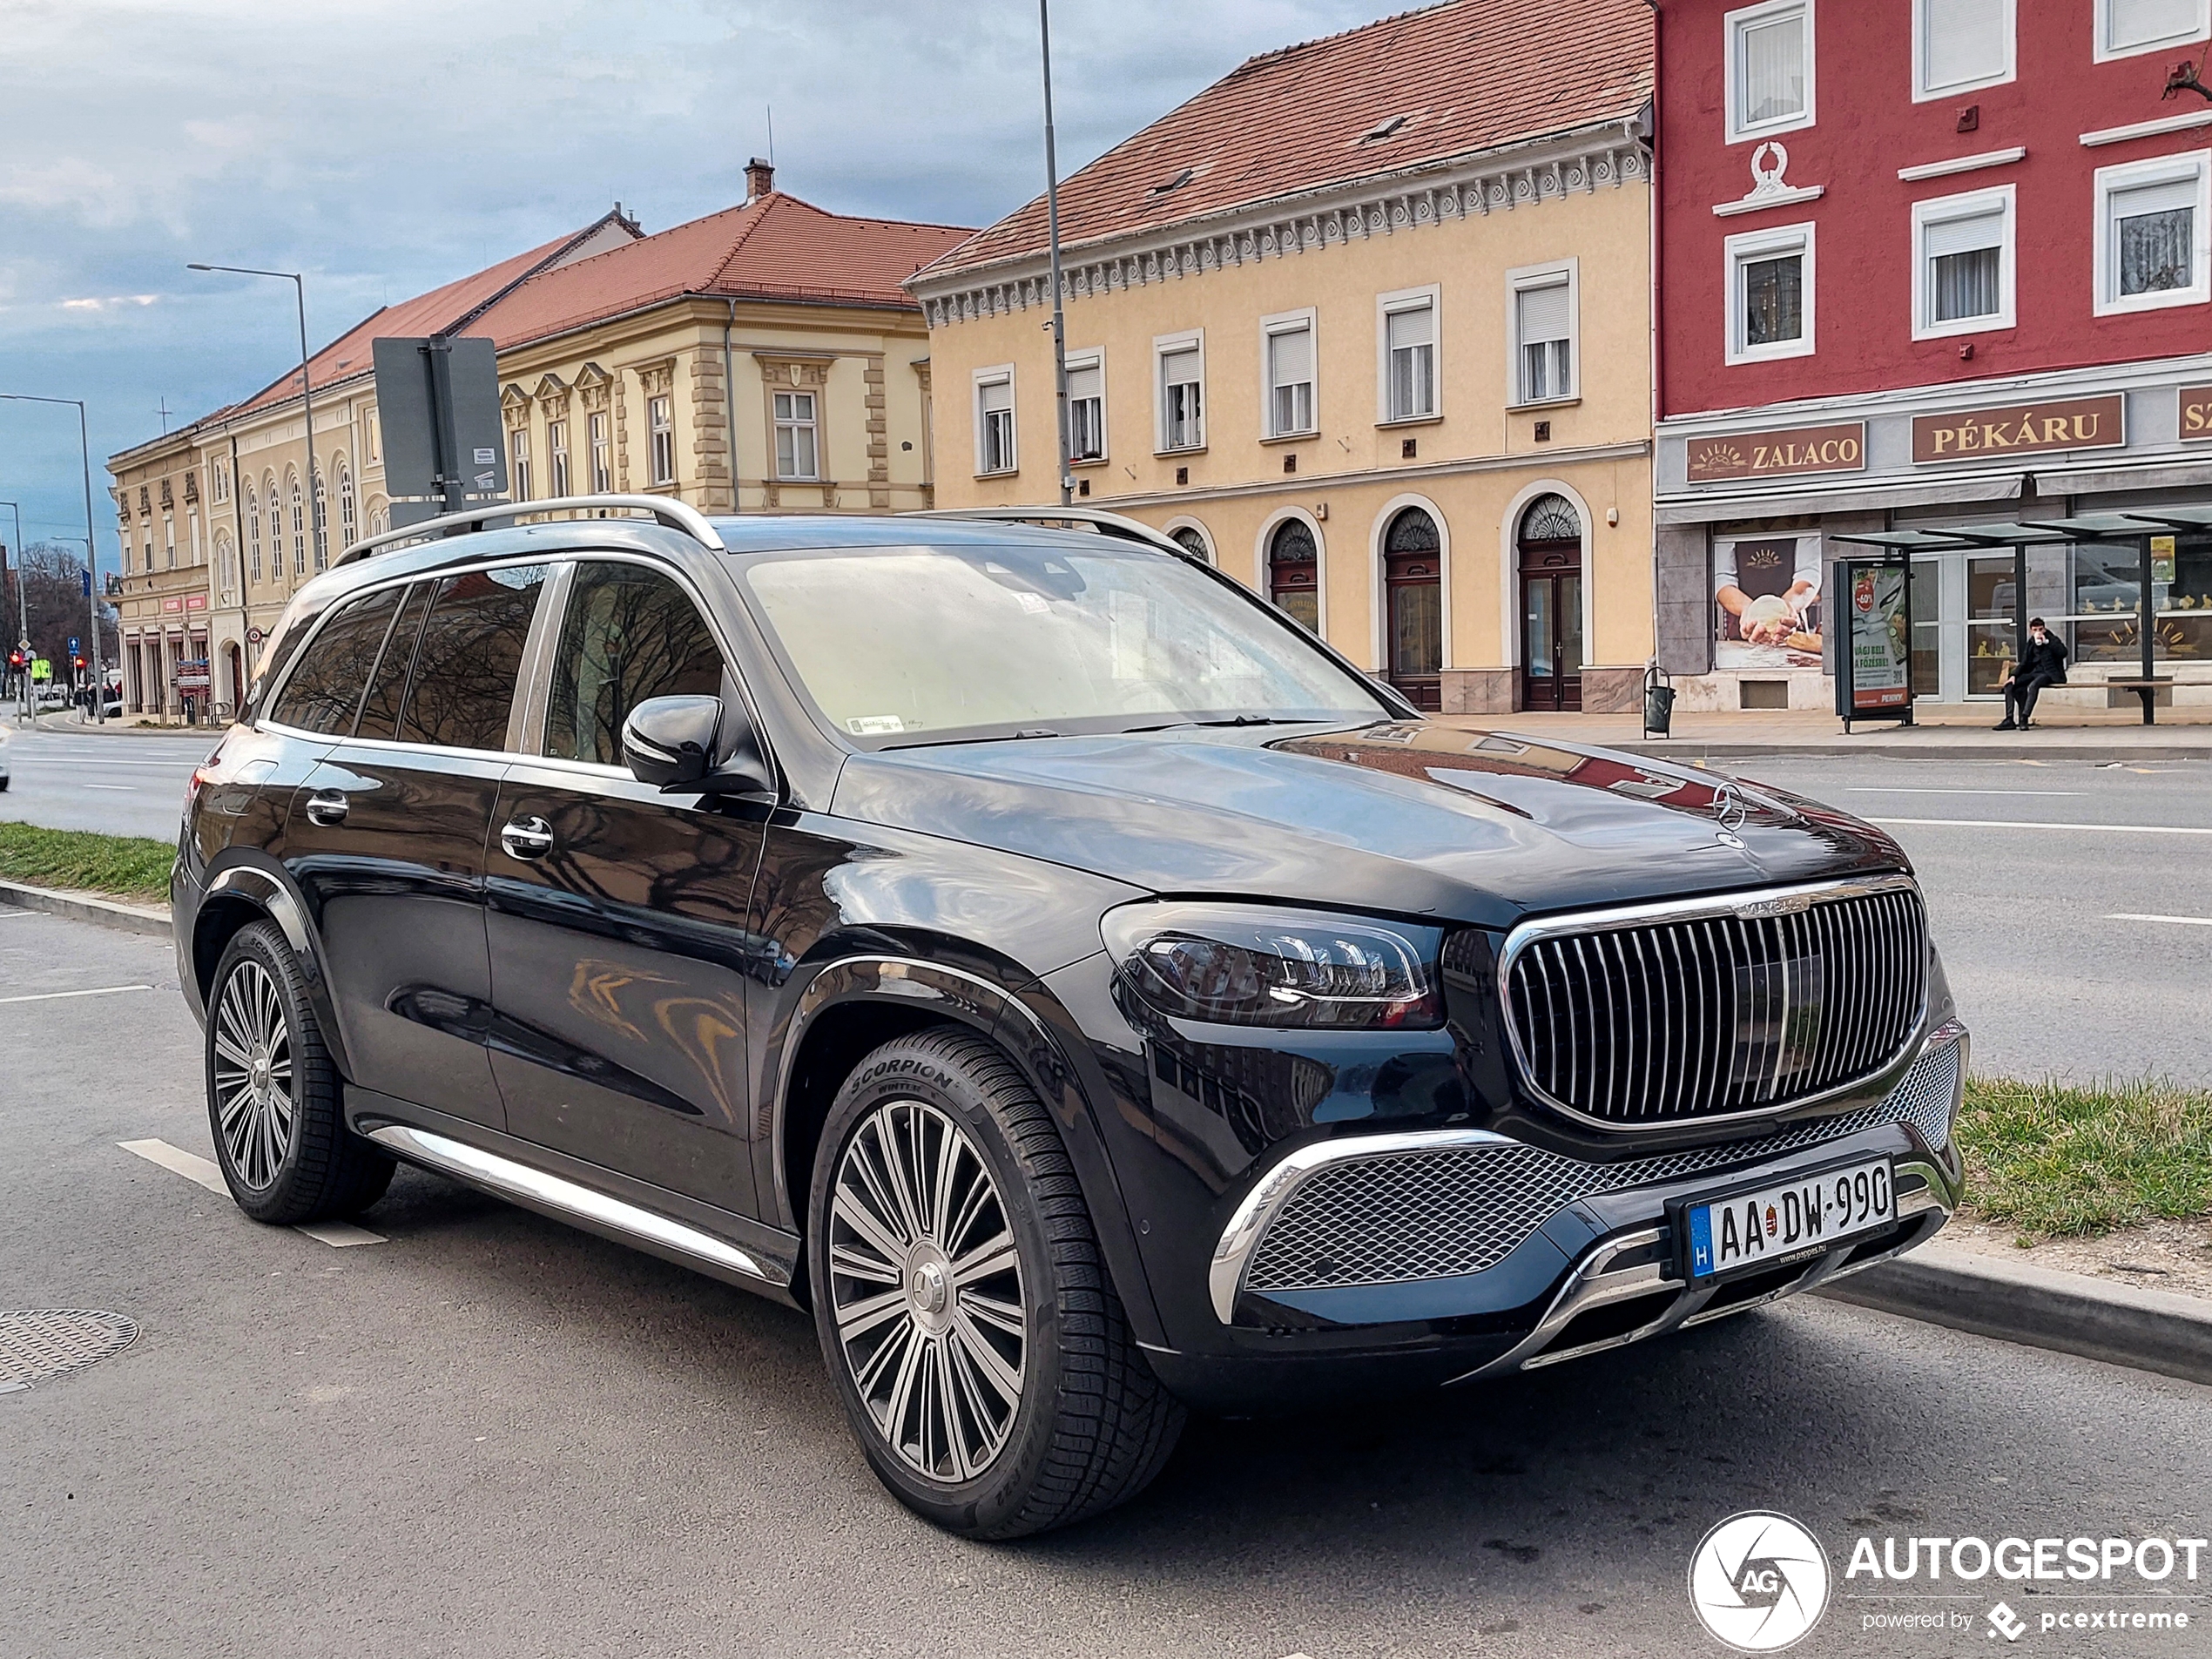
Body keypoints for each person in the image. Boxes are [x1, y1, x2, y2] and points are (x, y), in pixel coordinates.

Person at [1996, 617, 2067, 731]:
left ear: (2044, 629)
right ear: (2031, 631)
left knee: (2034, 686)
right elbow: (2024, 662)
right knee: (2010, 685)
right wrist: (2014, 675)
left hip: (2049, 674)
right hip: (2034, 672)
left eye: (2040, 629)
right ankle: (2009, 719)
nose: (2038, 632)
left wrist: (2047, 642)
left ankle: (2024, 717)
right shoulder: (2031, 643)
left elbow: (2063, 652)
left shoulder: (2052, 640)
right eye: (2035, 630)